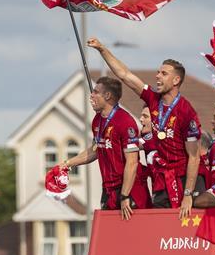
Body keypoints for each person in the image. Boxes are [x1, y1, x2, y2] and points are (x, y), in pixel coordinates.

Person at [86, 38, 203, 219]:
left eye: (163, 73)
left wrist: (188, 194)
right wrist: (102, 49)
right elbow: (125, 75)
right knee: (159, 229)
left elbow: (194, 157)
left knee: (179, 230)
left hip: (180, 180)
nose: (157, 76)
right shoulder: (153, 99)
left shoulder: (186, 112)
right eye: (158, 72)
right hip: (160, 180)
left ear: (176, 80)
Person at [63, 76, 151, 220]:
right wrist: (67, 164)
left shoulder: (124, 121)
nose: (91, 95)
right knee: (109, 231)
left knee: (136, 232)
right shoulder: (97, 120)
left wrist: (125, 195)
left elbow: (132, 162)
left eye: (96, 92)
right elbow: (95, 150)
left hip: (129, 189)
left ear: (108, 95)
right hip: (108, 190)